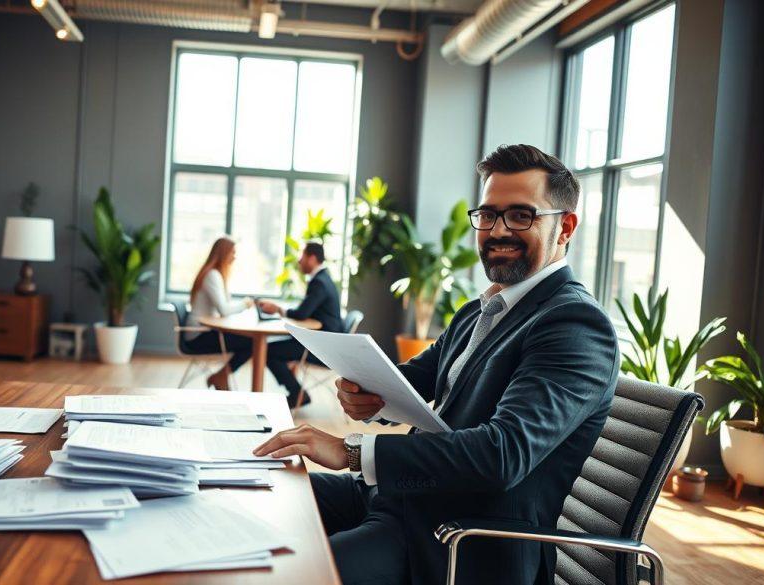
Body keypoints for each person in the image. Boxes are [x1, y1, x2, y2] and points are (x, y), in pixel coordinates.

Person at [254, 144, 620, 585]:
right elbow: (408, 384)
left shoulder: (575, 324)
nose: (497, 230)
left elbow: (501, 454)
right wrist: (363, 394)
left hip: (460, 540)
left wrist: (351, 450)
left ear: (565, 227)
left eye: (521, 215)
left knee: (290, 575)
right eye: (487, 215)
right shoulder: (480, 311)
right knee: (263, 496)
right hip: (401, 499)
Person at [220, 242, 342, 406]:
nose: (299, 261)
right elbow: (306, 312)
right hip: (320, 340)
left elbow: (302, 313)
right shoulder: (323, 279)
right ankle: (297, 393)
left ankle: (297, 394)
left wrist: (277, 309)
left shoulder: (319, 282)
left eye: (302, 256)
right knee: (270, 348)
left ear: (312, 258)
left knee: (268, 351)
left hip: (322, 346)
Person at [188, 237, 253, 387]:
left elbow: (224, 307)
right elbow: (224, 310)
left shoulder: (215, 274)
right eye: (232, 252)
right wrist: (245, 304)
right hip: (197, 336)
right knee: (252, 343)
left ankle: (221, 376)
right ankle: (221, 377)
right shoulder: (212, 275)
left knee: (250, 342)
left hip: (203, 331)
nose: (234, 257)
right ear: (224, 253)